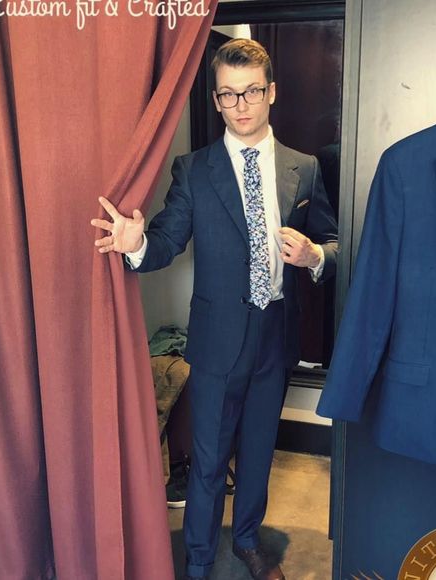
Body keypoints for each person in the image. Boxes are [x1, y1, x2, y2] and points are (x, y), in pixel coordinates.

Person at [91, 38, 338, 580]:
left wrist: (315, 255)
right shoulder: (194, 170)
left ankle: (248, 541)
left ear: (271, 92)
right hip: (217, 340)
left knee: (258, 452)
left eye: (251, 91)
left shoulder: (303, 167)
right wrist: (136, 243)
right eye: (228, 94)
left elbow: (334, 242)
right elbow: (165, 241)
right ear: (216, 100)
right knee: (207, 462)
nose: (240, 105)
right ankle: (199, 561)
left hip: (276, 335)